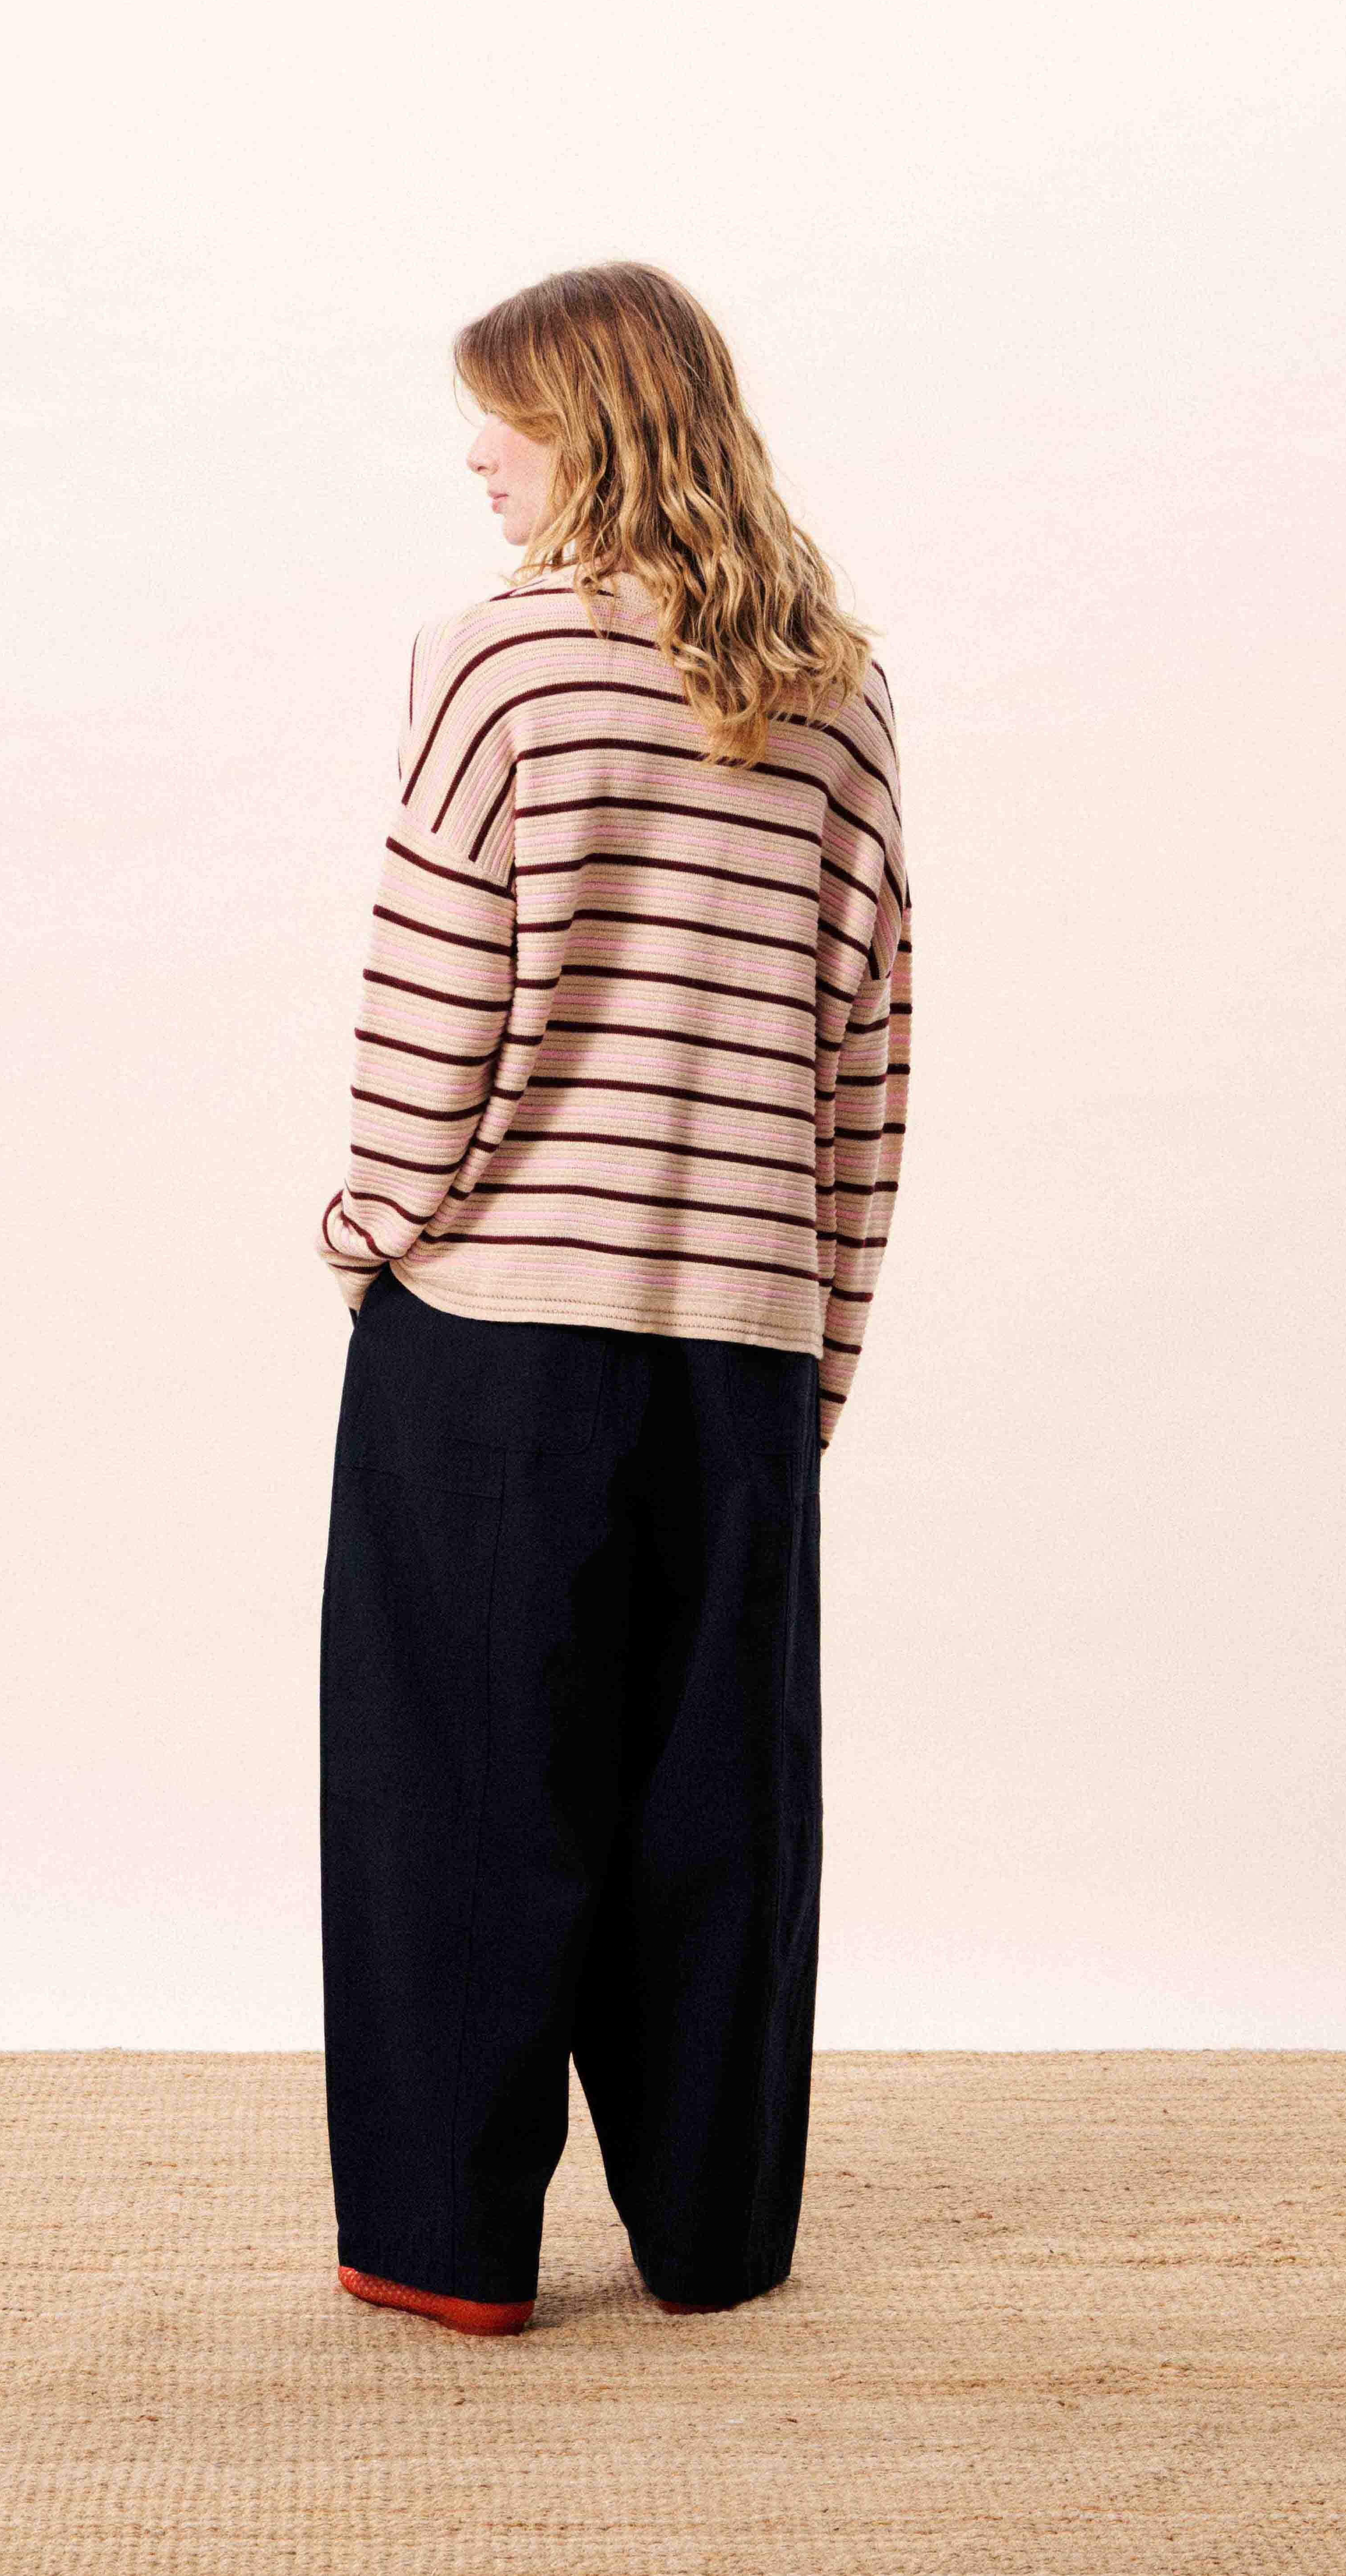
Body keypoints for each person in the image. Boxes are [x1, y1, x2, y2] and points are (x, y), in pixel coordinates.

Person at [313, 261, 911, 2337]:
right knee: (716, 1803)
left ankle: (449, 2250)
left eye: (501, 413)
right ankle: (714, 2242)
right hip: (741, 1342)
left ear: (589, 425)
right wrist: (819, 1349)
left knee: (458, 1790)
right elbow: (865, 1055)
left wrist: (368, 1228)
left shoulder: (495, 660)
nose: (475, 453)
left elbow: (439, 993)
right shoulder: (839, 689)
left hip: (492, 1332)